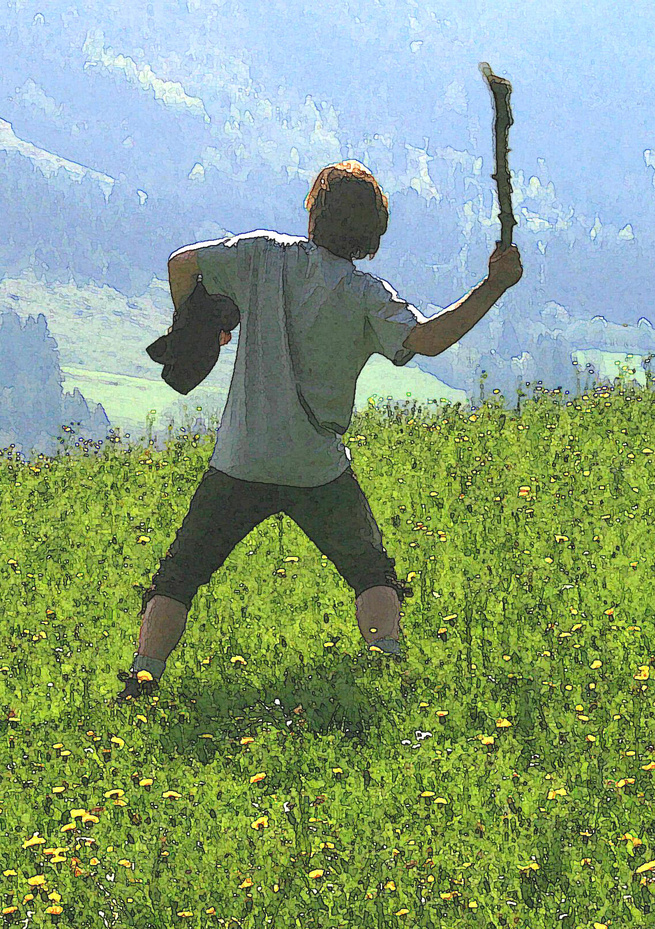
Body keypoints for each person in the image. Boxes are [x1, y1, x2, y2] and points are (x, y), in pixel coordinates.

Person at [115, 160, 523, 703]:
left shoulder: (261, 255)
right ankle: (386, 669)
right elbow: (427, 340)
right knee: (370, 569)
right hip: (316, 466)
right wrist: (493, 286)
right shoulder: (366, 294)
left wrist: (195, 326)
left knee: (181, 571)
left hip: (240, 458)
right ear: (374, 234)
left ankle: (145, 675)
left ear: (313, 212)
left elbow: (182, 264)